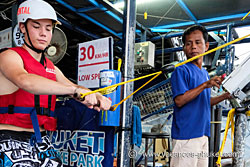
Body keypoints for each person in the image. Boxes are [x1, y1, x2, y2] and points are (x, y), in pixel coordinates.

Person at [0, 0, 111, 166]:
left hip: (41, 141)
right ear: (22, 27)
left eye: (49, 28)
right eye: (36, 27)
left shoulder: (50, 67)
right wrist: (74, 90)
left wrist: (94, 95)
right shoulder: (9, 56)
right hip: (9, 139)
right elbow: (25, 80)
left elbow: (75, 87)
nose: (43, 33)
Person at [170, 25, 232, 167]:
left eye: (198, 42)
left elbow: (205, 101)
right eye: (188, 43)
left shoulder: (204, 73)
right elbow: (179, 100)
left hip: (202, 134)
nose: (193, 47)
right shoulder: (181, 70)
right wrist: (205, 85)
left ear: (207, 46)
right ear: (184, 48)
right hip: (186, 136)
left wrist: (225, 96)